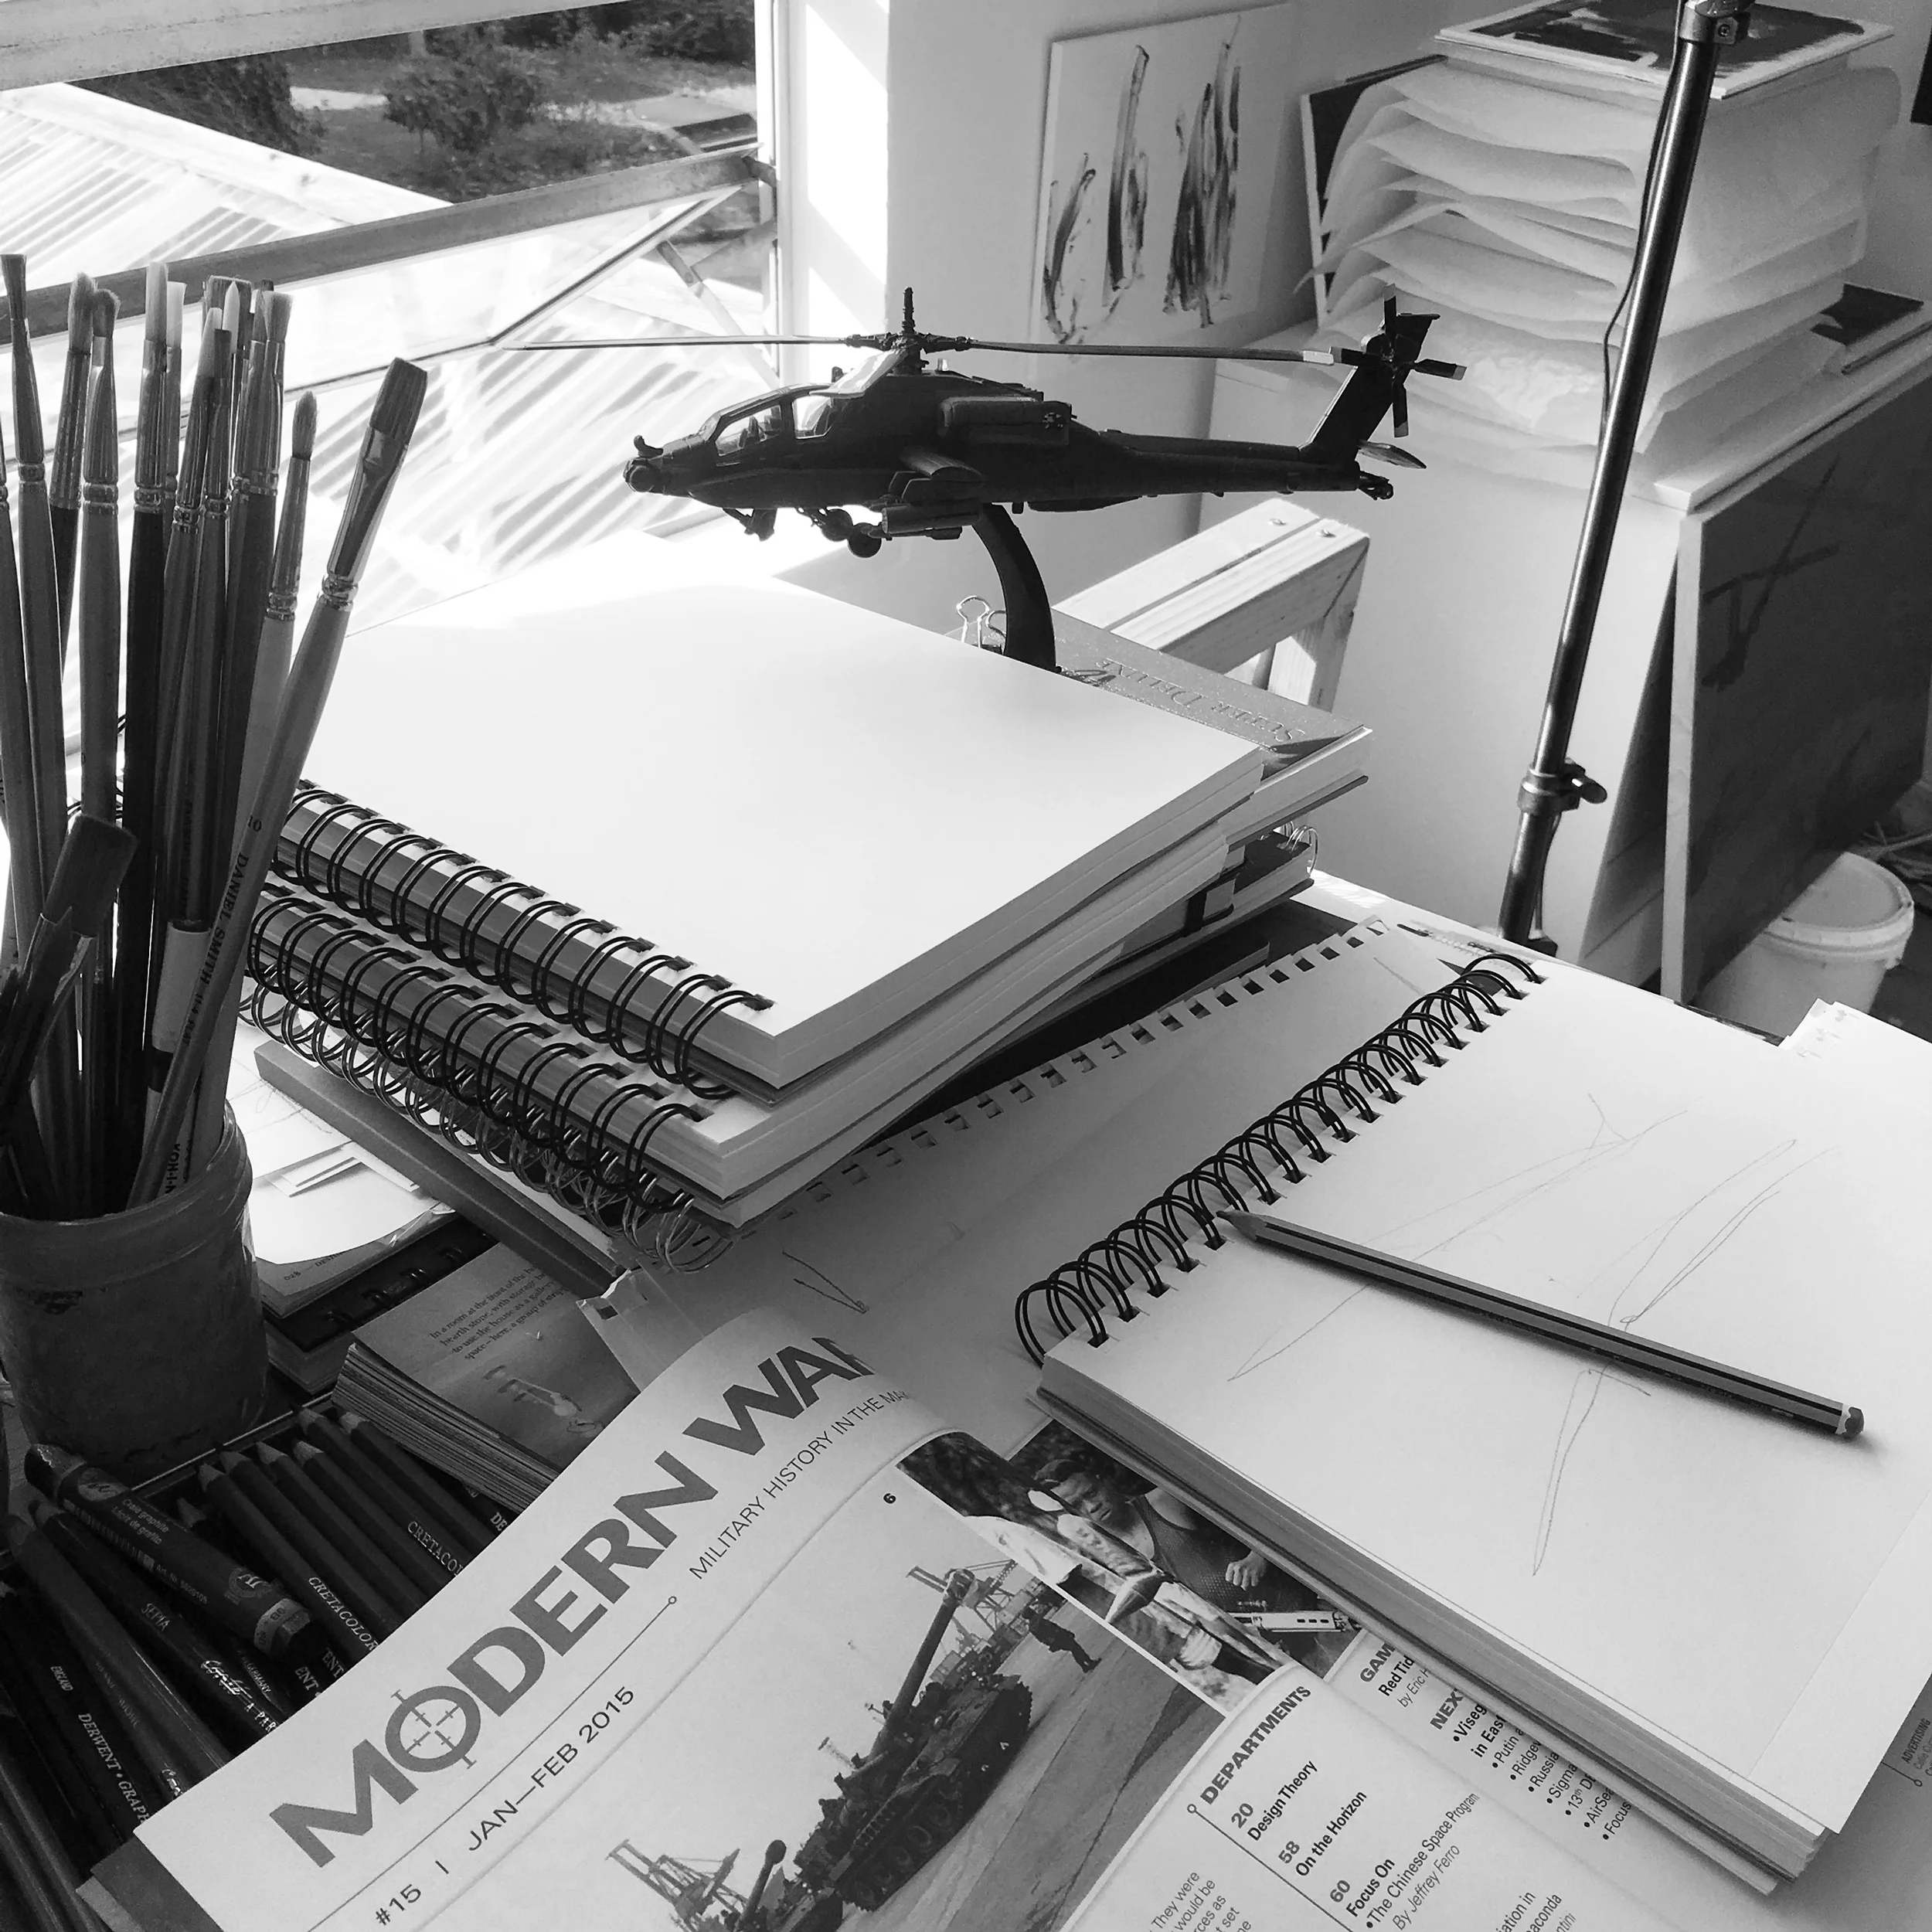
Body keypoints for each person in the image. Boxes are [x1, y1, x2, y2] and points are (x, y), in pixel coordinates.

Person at [1016, 1596, 1100, 1672]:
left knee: (1074, 1649)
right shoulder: (1038, 1620)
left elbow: (1041, 1639)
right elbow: (1053, 1627)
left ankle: (1085, 1665)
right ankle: (1088, 1664)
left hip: (1055, 1640)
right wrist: (1065, 1632)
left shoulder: (1032, 1627)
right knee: (1076, 1648)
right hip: (1059, 1636)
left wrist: (1051, 1643)